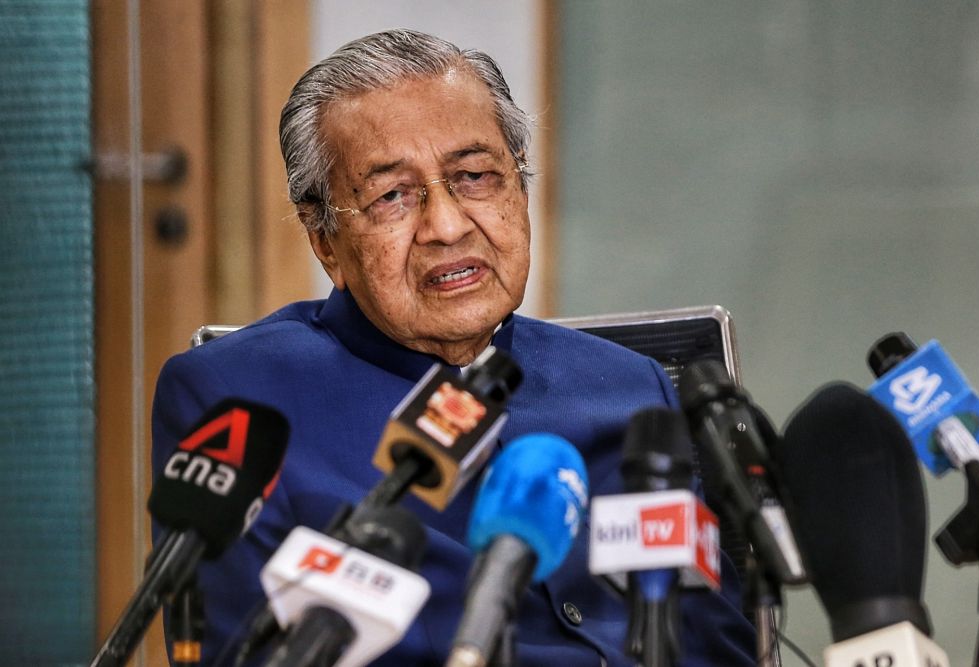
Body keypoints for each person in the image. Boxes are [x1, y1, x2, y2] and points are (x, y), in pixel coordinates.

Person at [152, 28, 756, 666]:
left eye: (474, 177)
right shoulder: (239, 399)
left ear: (520, 189)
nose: (445, 226)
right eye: (391, 196)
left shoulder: (633, 389)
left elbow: (716, 646)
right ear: (325, 241)